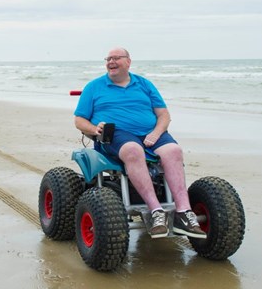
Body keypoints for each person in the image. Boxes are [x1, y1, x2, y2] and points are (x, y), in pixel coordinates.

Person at [73, 47, 206, 239]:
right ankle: (156, 211)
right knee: (133, 150)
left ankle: (184, 213)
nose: (111, 61)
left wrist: (156, 133)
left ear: (128, 61)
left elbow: (163, 115)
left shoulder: (144, 84)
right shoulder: (94, 87)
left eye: (116, 58)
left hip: (150, 133)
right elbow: (79, 120)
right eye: (108, 58)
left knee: (174, 151)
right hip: (116, 134)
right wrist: (95, 130)